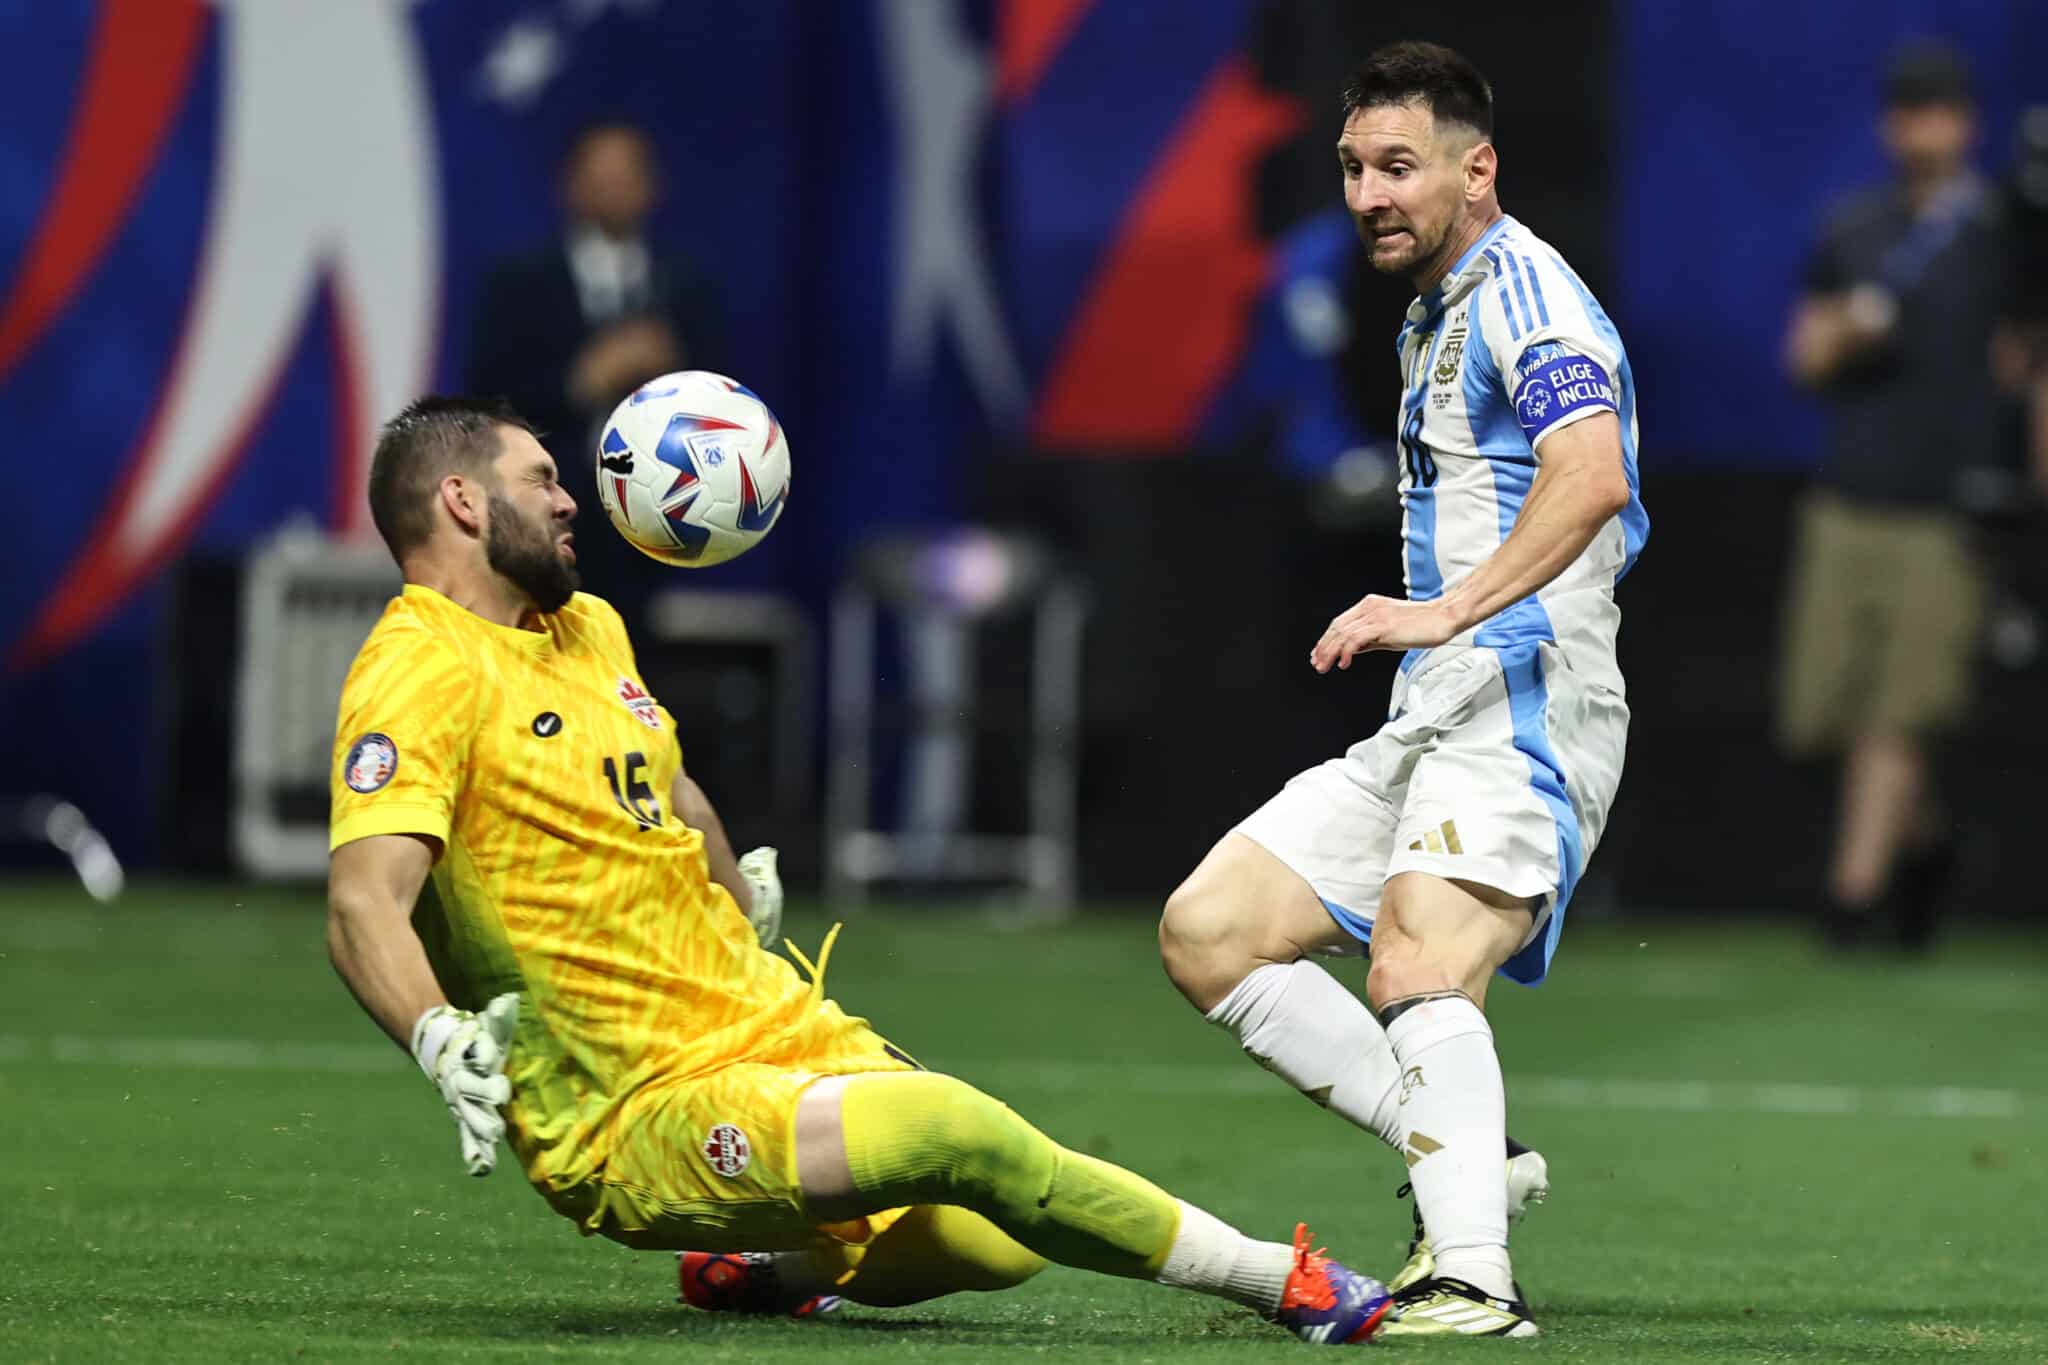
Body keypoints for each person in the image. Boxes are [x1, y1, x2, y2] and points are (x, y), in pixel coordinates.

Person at [324, 394, 1394, 1346]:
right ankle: (1279, 1281)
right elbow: (363, 903)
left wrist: (733, 882)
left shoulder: (587, 628)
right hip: (635, 1111)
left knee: (991, 1246)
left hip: (761, 1025)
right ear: (462, 502)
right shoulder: (418, 670)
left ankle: (760, 1276)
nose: (571, 503)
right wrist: (433, 1033)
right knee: (952, 1130)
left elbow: (666, 781)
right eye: (543, 481)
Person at [1156, 42, 1647, 1339]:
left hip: (1528, 700)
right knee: (1213, 929)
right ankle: (1474, 1155)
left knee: (1421, 953)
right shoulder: (1438, 303)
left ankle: (1471, 1276)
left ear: (1476, 171)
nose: (1370, 194)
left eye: (1400, 168)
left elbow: (1590, 474)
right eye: (1355, 169)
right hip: (1438, 712)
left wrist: (1439, 609)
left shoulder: (1524, 292)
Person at [1779, 43, 2012, 952]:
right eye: (1910, 112)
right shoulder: (1856, 226)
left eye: (1942, 111)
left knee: (1899, 714)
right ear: (1891, 125)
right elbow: (1801, 358)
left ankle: (1853, 895)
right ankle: (1927, 850)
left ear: (1967, 124)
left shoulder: (1999, 233)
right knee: (1823, 714)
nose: (1926, 129)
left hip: (1942, 504)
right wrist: (1846, 333)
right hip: (1849, 493)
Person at [467, 120, 725, 629]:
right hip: (543, 516)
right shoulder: (519, 285)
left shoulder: (685, 290)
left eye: (626, 175)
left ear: (653, 186)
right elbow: (485, 403)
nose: (613, 188)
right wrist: (578, 383)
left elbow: (724, 406)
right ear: (569, 184)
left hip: (650, 525)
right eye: (599, 174)